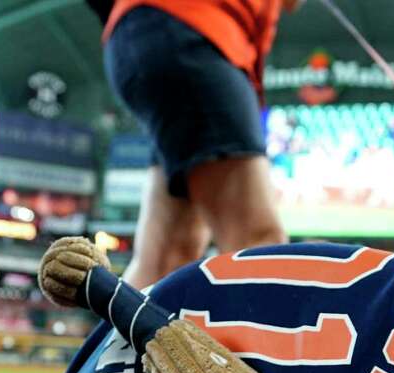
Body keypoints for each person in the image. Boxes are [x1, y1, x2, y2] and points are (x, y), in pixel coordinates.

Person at [96, 0, 304, 289]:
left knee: (165, 262)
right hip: (193, 34)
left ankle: (113, 335)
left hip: (153, 34)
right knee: (258, 244)